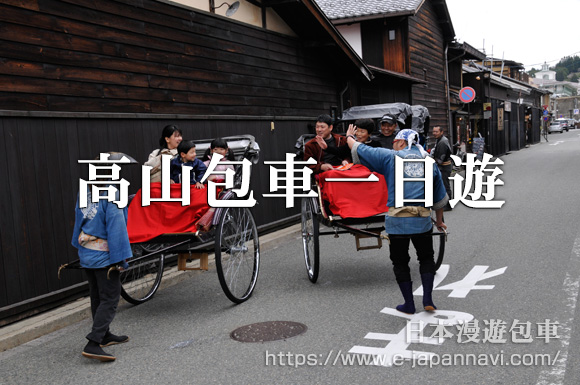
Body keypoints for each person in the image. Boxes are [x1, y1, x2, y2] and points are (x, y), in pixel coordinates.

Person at [345, 127, 448, 314]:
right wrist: (439, 222)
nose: (393, 145)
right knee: (426, 258)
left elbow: (358, 148)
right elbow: (438, 200)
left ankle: (409, 304)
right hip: (422, 221)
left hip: (396, 222)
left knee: (400, 262)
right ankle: (428, 299)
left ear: (401, 142)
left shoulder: (391, 157)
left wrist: (349, 136)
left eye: (394, 142)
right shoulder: (429, 161)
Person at [71, 153, 133, 362]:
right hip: (104, 255)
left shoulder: (85, 190)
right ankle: (94, 342)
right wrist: (120, 259)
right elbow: (117, 227)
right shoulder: (112, 192)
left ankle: (104, 334)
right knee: (110, 298)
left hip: (87, 252)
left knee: (97, 295)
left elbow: (80, 219)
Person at [316, 118, 381, 159]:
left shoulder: (376, 145)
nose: (358, 134)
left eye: (362, 132)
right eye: (357, 131)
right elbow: (340, 151)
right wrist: (326, 147)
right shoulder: (352, 143)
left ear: (369, 133)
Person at [431, 126, 453, 211]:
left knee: (445, 185)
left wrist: (432, 159)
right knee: (443, 184)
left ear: (441, 132)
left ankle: (448, 204)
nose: (434, 133)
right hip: (443, 165)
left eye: (436, 132)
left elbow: (440, 159)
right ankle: (444, 203)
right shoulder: (440, 140)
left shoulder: (442, 142)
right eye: (433, 131)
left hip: (444, 166)